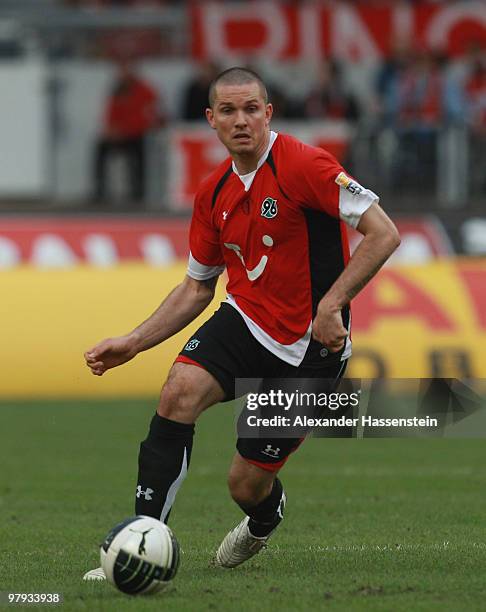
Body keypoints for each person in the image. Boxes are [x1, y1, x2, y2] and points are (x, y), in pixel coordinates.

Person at [83, 67, 400, 579]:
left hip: (311, 349)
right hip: (247, 321)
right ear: (210, 120)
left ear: (268, 113)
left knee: (244, 484)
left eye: (251, 108)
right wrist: (135, 342)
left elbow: (383, 233)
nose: (241, 120)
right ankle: (141, 543)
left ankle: (264, 517)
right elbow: (196, 287)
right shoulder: (212, 193)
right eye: (228, 111)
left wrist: (332, 304)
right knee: (177, 392)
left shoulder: (305, 164)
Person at [93, 59, 161, 205]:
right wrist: (111, 130)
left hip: (135, 134)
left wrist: (127, 130)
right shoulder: (116, 91)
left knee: (139, 151)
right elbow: (109, 114)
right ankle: (99, 190)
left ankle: (138, 192)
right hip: (119, 135)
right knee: (100, 147)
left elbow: (149, 116)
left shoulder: (145, 90)